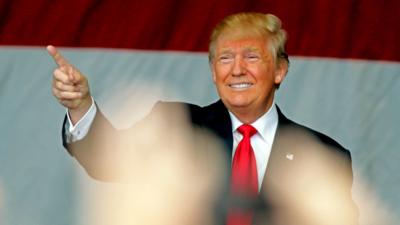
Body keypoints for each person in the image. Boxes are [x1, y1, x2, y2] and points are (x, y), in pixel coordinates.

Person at [48, 12, 358, 225]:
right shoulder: (175, 128)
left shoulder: (324, 157)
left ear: (279, 70)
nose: (236, 70)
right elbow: (106, 160)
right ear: (213, 71)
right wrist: (81, 105)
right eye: (225, 58)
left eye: (251, 56)